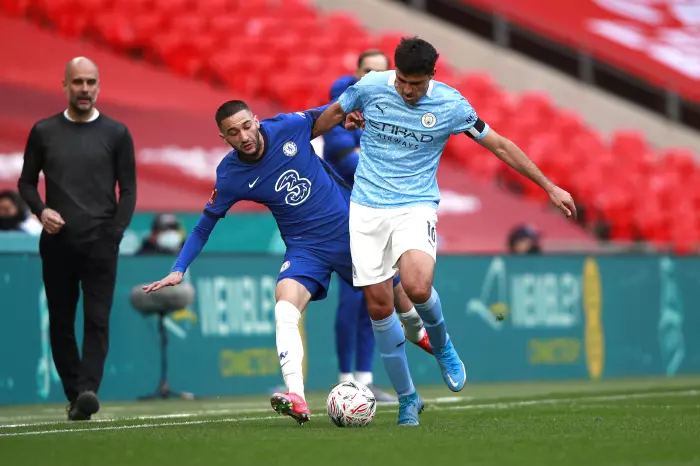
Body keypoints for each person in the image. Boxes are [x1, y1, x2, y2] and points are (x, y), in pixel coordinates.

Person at [313, 37, 577, 425]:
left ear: (431, 77)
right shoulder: (371, 87)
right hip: (367, 209)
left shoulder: (451, 105)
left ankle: (443, 345)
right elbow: (328, 116)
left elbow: (501, 146)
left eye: (416, 84)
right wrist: (296, 143)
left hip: (415, 204)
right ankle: (407, 399)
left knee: (417, 287)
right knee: (380, 307)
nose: (407, 90)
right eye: (402, 81)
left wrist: (549, 186)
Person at [142, 100, 428, 426]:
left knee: (399, 300)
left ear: (256, 120)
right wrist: (179, 268)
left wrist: (351, 109)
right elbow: (205, 225)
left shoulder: (288, 127)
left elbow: (328, 113)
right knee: (284, 307)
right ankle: (297, 396)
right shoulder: (231, 174)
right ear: (224, 138)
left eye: (246, 126)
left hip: (350, 234)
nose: (244, 136)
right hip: (305, 249)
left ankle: (418, 336)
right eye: (233, 133)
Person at [17, 57, 137, 421]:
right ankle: (75, 395)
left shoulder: (117, 133)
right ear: (65, 85)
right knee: (61, 321)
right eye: (78, 82)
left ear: (98, 86)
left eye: (91, 82)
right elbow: (25, 182)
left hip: (101, 242)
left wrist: (114, 234)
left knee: (98, 319)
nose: (85, 89)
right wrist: (41, 210)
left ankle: (88, 390)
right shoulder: (43, 131)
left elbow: (128, 190)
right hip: (57, 243)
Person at [324, 50, 431, 403]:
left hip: (380, 211)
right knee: (352, 298)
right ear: (356, 72)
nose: (374, 76)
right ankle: (345, 380)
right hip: (345, 212)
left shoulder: (391, 111)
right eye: (368, 70)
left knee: (377, 296)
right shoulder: (345, 109)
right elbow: (348, 158)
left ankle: (365, 379)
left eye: (382, 72)